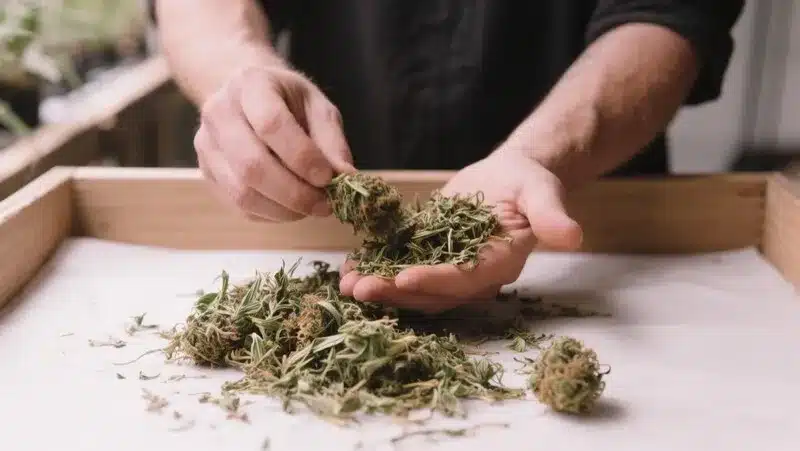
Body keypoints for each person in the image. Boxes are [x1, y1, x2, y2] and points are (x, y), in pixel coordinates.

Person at [150, 0, 744, 312]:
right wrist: (243, 78)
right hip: (322, 223)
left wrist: (538, 156)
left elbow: (668, 15)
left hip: (597, 216)